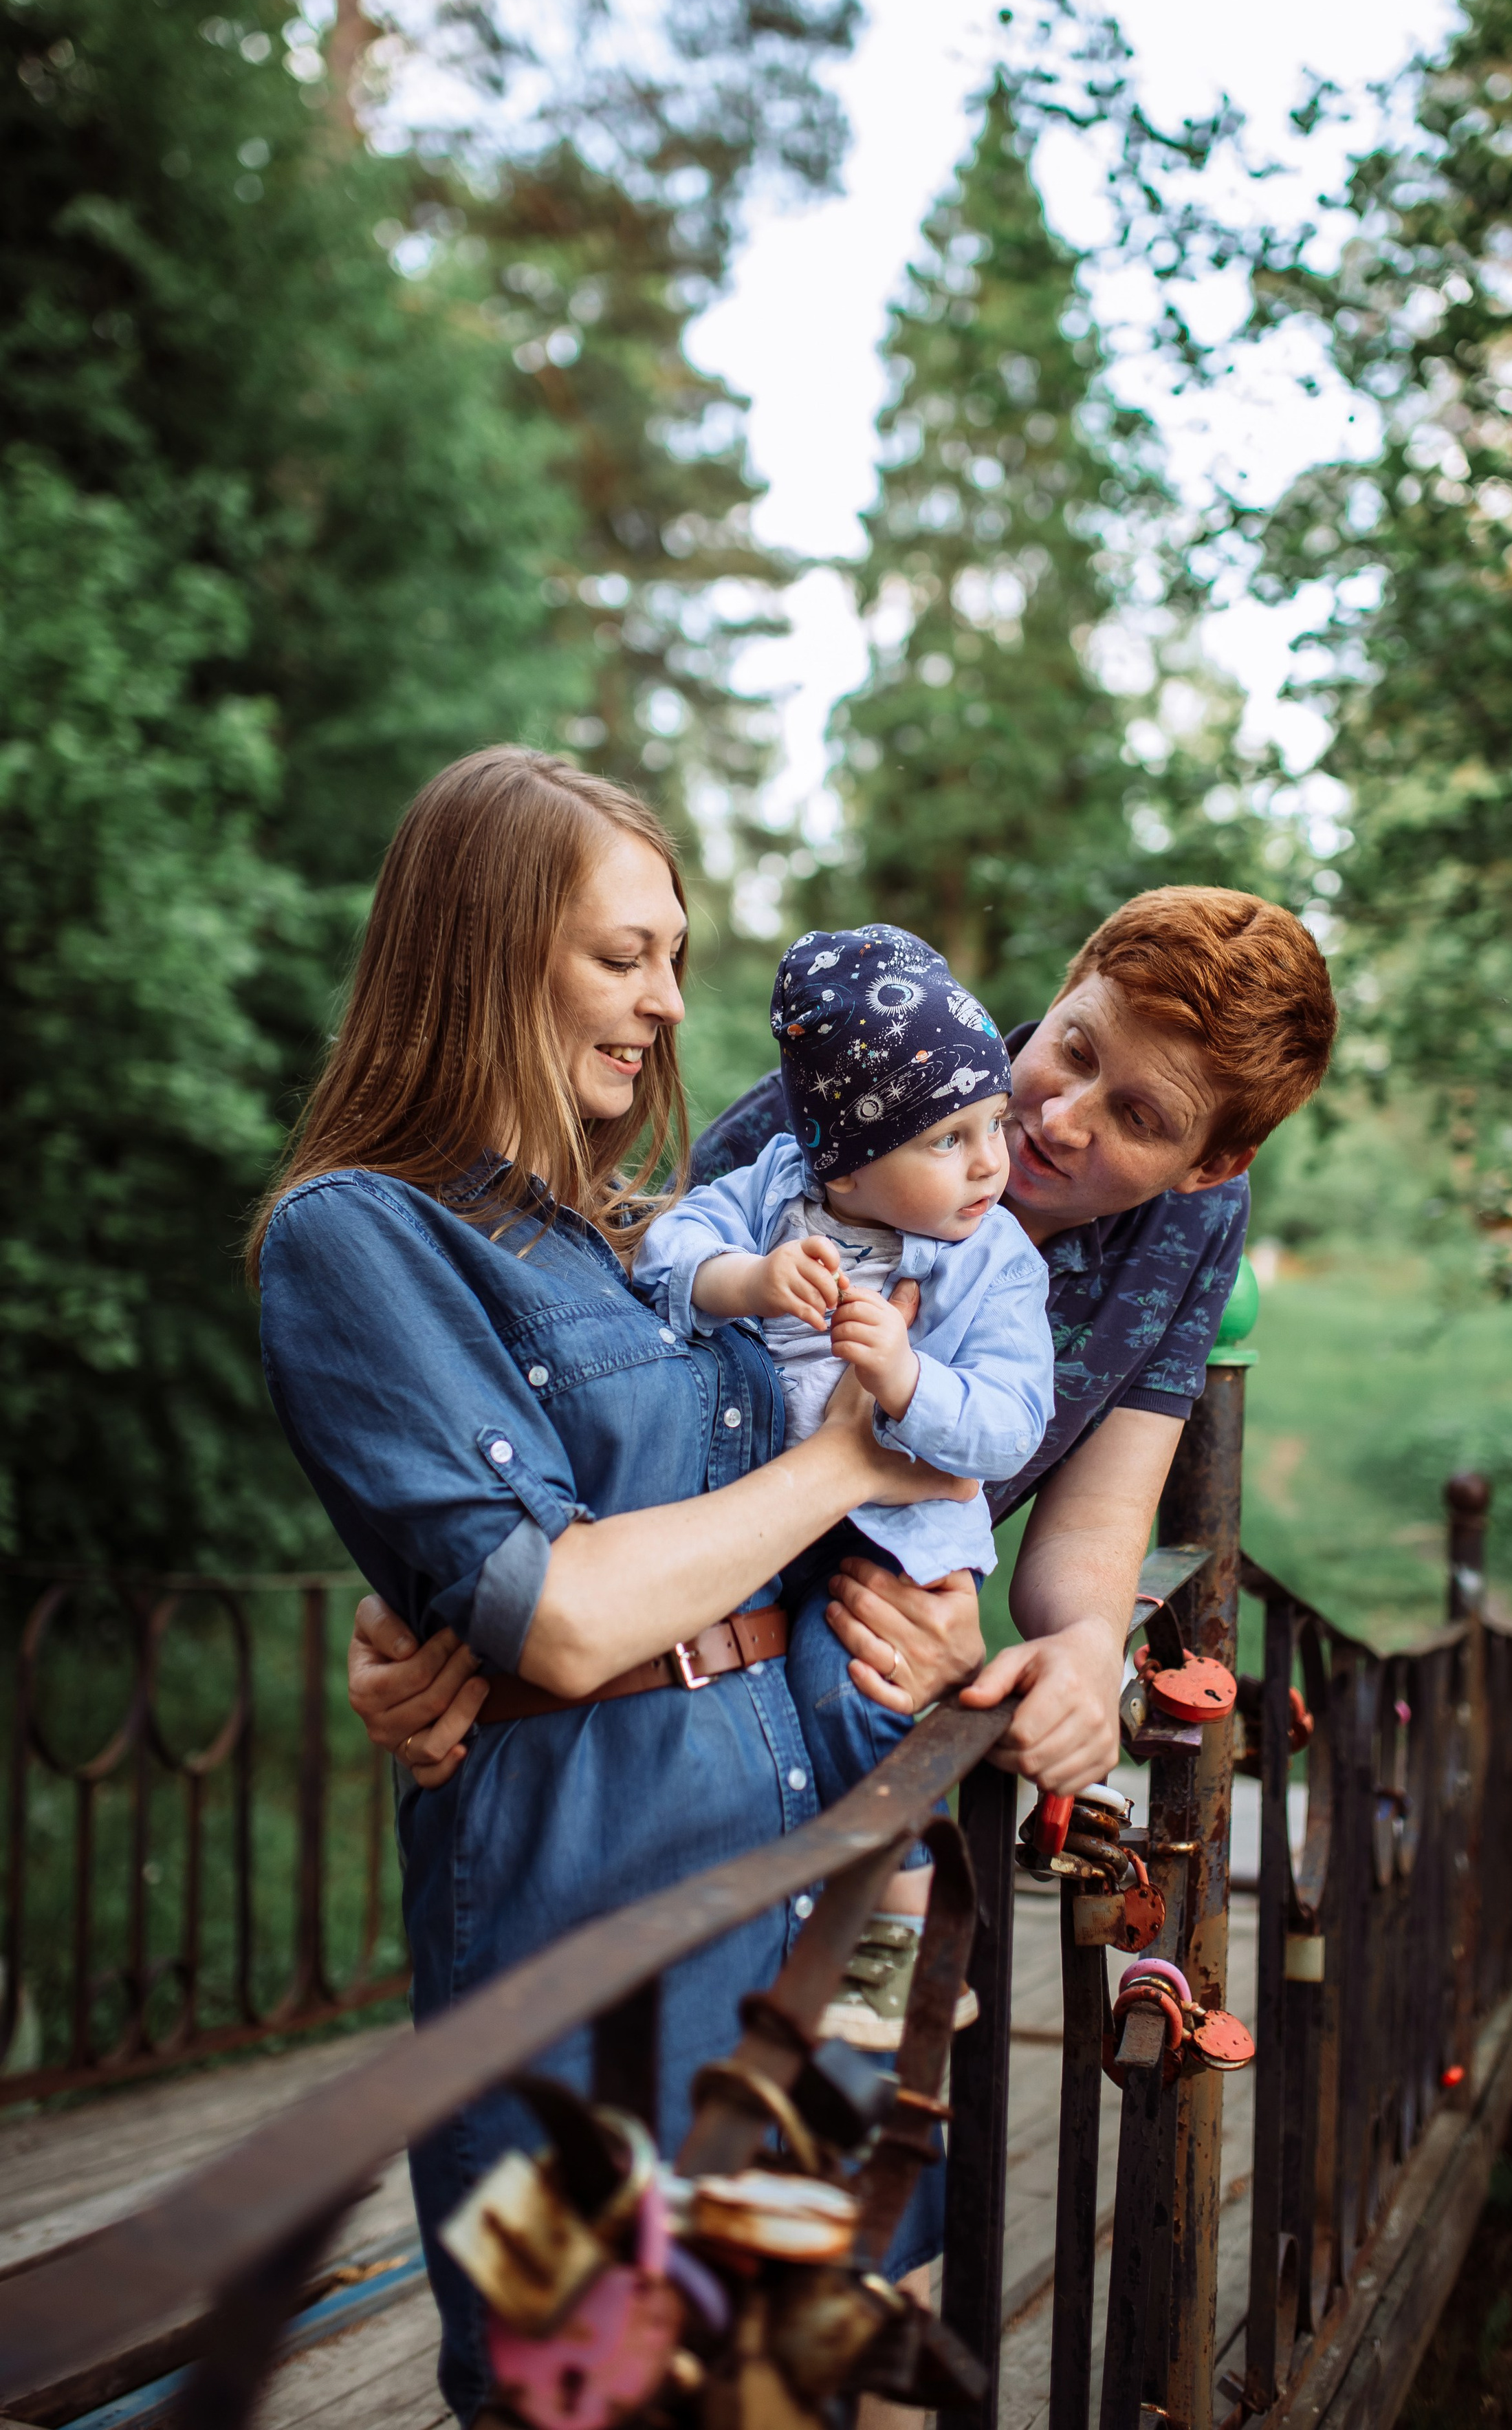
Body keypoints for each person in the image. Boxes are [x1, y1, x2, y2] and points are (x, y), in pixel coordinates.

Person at [250, 747, 976, 2426]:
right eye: (617, 954)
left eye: (672, 957)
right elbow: (563, 1610)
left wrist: (946, 1617)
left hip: (790, 1893)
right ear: (484, 948)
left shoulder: (640, 1239)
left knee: (797, 2370)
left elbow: (977, 1167)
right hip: (583, 1913)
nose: (662, 1004)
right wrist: (857, 1463)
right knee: (592, 2388)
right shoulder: (357, 1234)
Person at [353, 884, 1337, 1838]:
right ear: (1066, 990)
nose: (1060, 1118)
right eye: (1072, 1048)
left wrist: (1081, 1649)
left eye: (1140, 1120)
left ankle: (892, 1923)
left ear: (1212, 1166)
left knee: (855, 1944)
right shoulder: (858, 1097)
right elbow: (588, 1370)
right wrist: (444, 1602)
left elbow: (1105, 1511)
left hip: (852, 1645)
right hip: (669, 1636)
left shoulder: (1193, 1226)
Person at [633, 923, 1056, 2046]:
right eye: (948, 1138)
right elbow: (660, 1253)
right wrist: (747, 1279)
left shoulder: (992, 1259)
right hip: (761, 1517)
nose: (987, 1163)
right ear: (849, 1162)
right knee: (713, 1699)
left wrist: (910, 1382)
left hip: (890, 1537)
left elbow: (1013, 1423)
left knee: (845, 1691)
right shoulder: (778, 1191)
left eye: (993, 1126)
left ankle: (900, 1930)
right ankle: (770, 1910)